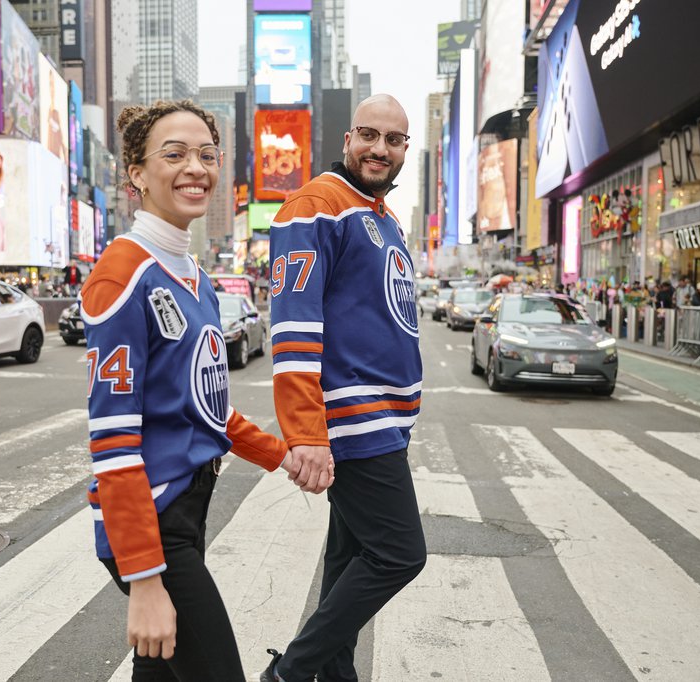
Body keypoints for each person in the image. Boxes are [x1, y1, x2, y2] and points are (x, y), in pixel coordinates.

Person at [81, 100, 328, 682]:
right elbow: (113, 441)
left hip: (188, 510)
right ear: (137, 175)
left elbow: (206, 409)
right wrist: (144, 581)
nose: (195, 167)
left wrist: (280, 454)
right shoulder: (123, 273)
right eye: (174, 154)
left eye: (207, 155)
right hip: (153, 526)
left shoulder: (197, 280)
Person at [261, 94, 427, 682]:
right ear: (346, 141)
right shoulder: (316, 205)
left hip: (385, 419)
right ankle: (291, 674)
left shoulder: (382, 216)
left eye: (394, 139)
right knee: (399, 554)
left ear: (406, 148)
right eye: (369, 135)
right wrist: (305, 434)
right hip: (355, 419)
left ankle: (332, 678)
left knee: (350, 561)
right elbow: (294, 331)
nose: (380, 148)